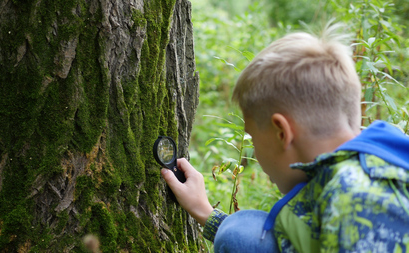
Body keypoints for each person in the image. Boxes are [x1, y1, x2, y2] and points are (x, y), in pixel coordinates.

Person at [160, 24, 409, 252]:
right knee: (239, 232)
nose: (254, 152)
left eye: (253, 138)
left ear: (282, 133)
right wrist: (205, 213)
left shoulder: (360, 200)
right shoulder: (360, 162)